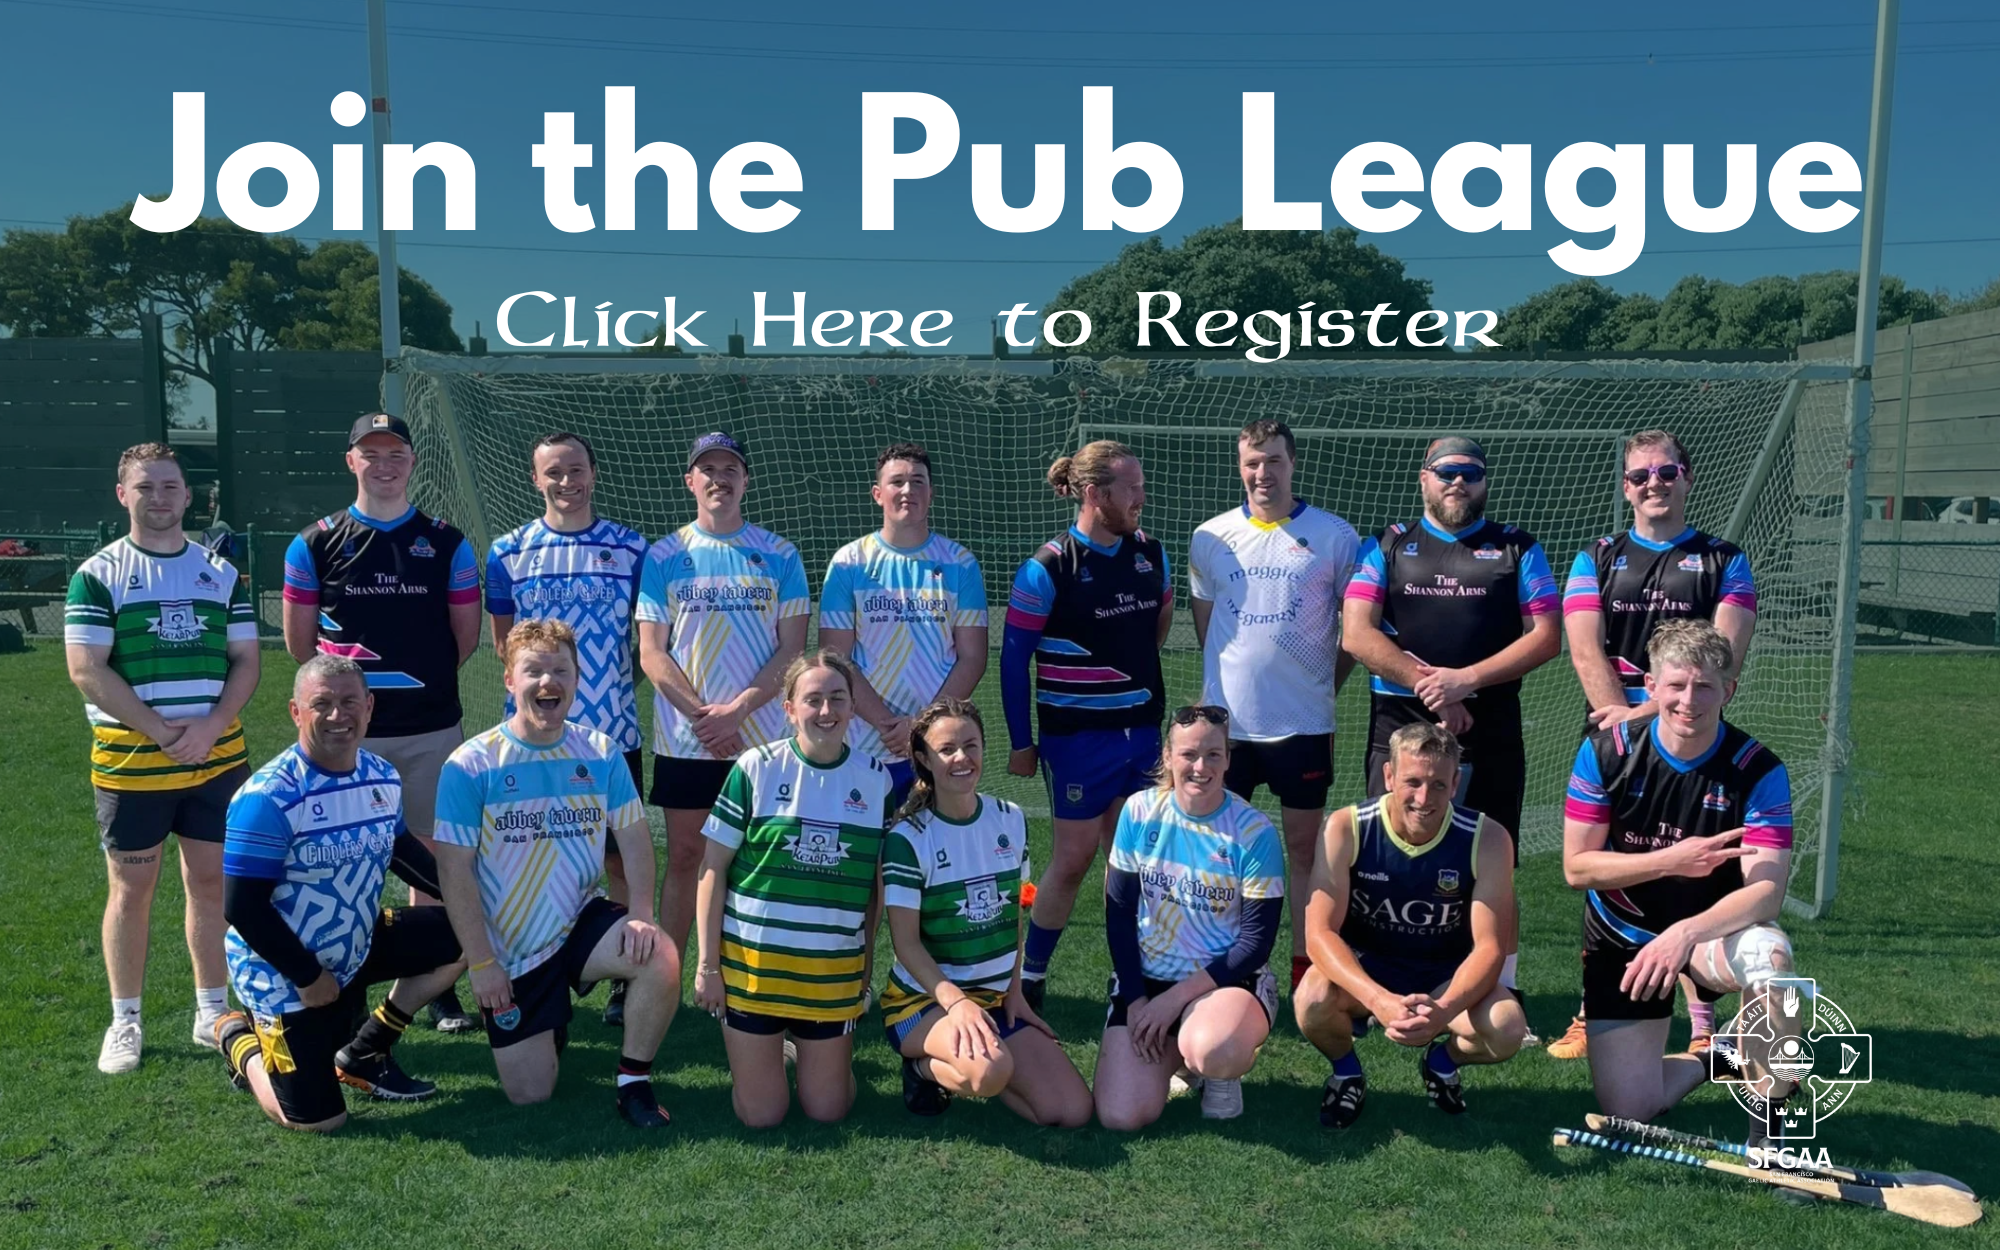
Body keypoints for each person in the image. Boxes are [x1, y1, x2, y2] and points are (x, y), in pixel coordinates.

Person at [1549, 429, 1759, 1061]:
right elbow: (1584, 645)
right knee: (1609, 864)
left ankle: (1704, 1019)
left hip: (1696, 736)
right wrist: (1625, 724)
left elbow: (1725, 656)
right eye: (1640, 476)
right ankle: (1595, 1006)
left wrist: (1645, 710)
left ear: (1687, 479)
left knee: (1706, 864)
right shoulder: (1598, 557)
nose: (1654, 484)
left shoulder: (1726, 560)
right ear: (1626, 488)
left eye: (1666, 472)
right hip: (1615, 745)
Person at [1340, 435, 1560, 1021]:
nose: (1458, 482)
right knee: (1383, 850)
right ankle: (1374, 988)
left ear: (1485, 481)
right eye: (1446, 472)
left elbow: (1546, 637)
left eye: (1470, 472)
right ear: (1424, 478)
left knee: (1496, 851)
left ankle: (1500, 985)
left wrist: (1467, 682)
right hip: (1401, 717)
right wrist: (1433, 686)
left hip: (1488, 719)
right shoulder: (1386, 544)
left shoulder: (1517, 548)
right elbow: (1357, 633)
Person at [282, 412, 483, 1032]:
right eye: (371, 453)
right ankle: (329, 976)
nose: (385, 463)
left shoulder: (446, 541)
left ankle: (432, 986)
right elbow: (299, 646)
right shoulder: (313, 542)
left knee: (430, 855)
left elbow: (465, 639)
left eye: (396, 452)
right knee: (333, 856)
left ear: (412, 461)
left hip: (427, 726)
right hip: (343, 733)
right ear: (352, 462)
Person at [433, 620, 679, 1128]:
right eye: (534, 671)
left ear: (576, 679)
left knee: (660, 954)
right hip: (512, 947)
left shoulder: (601, 752)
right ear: (509, 681)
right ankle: (550, 1025)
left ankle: (633, 1083)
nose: (549, 682)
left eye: (560, 671)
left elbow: (634, 838)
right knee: (531, 1095)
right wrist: (481, 964)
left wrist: (641, 914)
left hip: (579, 922)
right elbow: (453, 870)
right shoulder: (470, 765)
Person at [1561, 619, 1803, 1129]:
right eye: (1675, 685)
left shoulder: (1757, 769)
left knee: (1770, 957)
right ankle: (1722, 1056)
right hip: (1622, 938)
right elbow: (1577, 867)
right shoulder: (1608, 752)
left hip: (1713, 935)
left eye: (1705, 686)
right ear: (1651, 687)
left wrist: (1685, 933)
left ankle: (1774, 1132)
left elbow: (1766, 893)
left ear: (1728, 691)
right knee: (1632, 1109)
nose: (1688, 700)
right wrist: (1671, 860)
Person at [65, 442, 260, 1073]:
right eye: (145, 487)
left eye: (170, 486)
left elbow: (247, 663)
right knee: (132, 890)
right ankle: (125, 1020)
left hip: (217, 758)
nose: (159, 497)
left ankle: (212, 1011)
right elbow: (85, 668)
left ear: (189, 496)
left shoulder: (221, 573)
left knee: (211, 884)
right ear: (122, 494)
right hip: (132, 764)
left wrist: (211, 726)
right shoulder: (98, 573)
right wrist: (160, 731)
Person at [209, 654, 465, 1132]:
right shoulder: (268, 797)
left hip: (355, 943)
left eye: (349, 702)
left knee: (470, 933)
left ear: (369, 707)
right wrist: (307, 976)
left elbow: (403, 853)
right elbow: (242, 907)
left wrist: (473, 899)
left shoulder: (381, 776)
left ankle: (367, 1047)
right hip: (284, 971)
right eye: (321, 704)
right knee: (316, 1121)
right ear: (295, 712)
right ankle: (237, 1038)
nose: (336, 715)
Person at [1188, 418, 1360, 991]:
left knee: (1304, 849)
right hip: (1227, 729)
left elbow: (1353, 634)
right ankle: (1225, 967)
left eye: (1274, 461)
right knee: (1222, 852)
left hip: (1303, 725)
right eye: (1252, 463)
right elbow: (1209, 627)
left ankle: (1307, 969)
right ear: (1241, 467)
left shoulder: (1336, 537)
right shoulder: (1209, 536)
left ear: (1293, 463)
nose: (1263, 473)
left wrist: (1318, 686)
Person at [485, 431, 648, 1027]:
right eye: (553, 472)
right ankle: (531, 965)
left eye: (575, 469)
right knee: (529, 853)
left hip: (612, 736)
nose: (565, 481)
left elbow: (645, 640)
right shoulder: (507, 551)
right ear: (536, 479)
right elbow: (507, 644)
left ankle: (623, 977)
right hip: (530, 745)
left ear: (593, 474)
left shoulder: (632, 549)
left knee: (620, 859)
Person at [1003, 441, 1171, 1009]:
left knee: (1130, 863)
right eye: (1131, 488)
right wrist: (1023, 742)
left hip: (1144, 737)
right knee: (1073, 860)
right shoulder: (1046, 567)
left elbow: (1157, 629)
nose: (1141, 498)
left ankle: (1129, 971)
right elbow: (1012, 660)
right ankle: (1031, 973)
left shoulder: (1153, 554)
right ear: (1096, 495)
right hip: (1076, 742)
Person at [693, 650, 893, 1128]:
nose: (826, 711)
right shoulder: (755, 768)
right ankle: (768, 1054)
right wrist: (707, 968)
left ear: (852, 707)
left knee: (829, 1111)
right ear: (789, 709)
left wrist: (864, 968)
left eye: (838, 699)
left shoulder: (876, 780)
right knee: (762, 1115)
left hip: (830, 977)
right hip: (753, 973)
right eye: (813, 699)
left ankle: (808, 1057)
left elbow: (873, 889)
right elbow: (712, 868)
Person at [1293, 722, 1526, 1128]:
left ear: (1456, 783)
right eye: (1412, 782)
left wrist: (1444, 1011)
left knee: (1507, 1028)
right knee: (1310, 1000)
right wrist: (1379, 999)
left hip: (1444, 975)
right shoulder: (1347, 827)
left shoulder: (1487, 838)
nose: (1423, 797)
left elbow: (1490, 947)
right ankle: (1347, 1073)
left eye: (1438, 784)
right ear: (1388, 777)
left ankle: (1442, 1060)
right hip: (1367, 969)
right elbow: (1319, 934)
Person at [636, 431, 809, 963]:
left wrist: (736, 712)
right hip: (687, 740)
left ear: (745, 481)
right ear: (690, 481)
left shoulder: (780, 554)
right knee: (687, 856)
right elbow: (651, 653)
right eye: (707, 469)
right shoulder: (665, 554)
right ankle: (663, 977)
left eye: (730, 468)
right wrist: (704, 718)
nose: (719, 478)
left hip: (761, 739)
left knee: (758, 859)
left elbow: (793, 648)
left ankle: (751, 973)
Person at [880, 698, 1093, 1127]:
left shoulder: (1008, 819)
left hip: (994, 1001)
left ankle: (987, 1054)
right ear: (923, 758)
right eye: (946, 749)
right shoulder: (908, 837)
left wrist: (1014, 991)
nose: (962, 758)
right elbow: (905, 943)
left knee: (1071, 1111)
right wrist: (957, 1004)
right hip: (923, 1004)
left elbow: (1012, 916)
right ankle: (922, 1069)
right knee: (989, 1071)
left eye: (971, 745)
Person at [1093, 706, 1283, 1129]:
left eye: (1214, 755)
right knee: (1120, 1116)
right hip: (1149, 979)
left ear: (1229, 759)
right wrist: (1140, 998)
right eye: (1189, 754)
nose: (1201, 767)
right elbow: (1120, 912)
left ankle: (1214, 1069)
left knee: (1213, 1048)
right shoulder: (1139, 812)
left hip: (1223, 983)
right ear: (1167, 756)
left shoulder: (1253, 832)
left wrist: (1172, 1002)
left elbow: (1255, 944)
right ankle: (1179, 1061)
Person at [819, 442, 989, 810]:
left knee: (931, 855)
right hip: (864, 739)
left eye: (917, 481)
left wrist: (922, 726)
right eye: (897, 482)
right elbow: (836, 657)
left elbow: (972, 657)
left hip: (936, 745)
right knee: (865, 856)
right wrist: (888, 724)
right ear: (878, 494)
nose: (908, 490)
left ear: (931, 492)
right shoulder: (849, 562)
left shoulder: (960, 563)